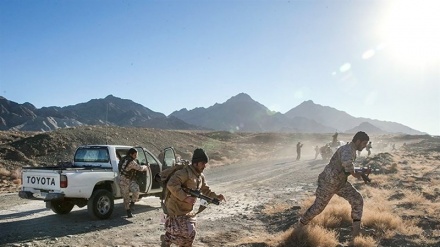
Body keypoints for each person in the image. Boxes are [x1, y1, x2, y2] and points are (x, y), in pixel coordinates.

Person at [296, 131, 370, 241]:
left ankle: (356, 231)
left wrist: (361, 172)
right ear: (358, 141)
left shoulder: (351, 149)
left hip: (340, 183)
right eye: (364, 143)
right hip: (328, 182)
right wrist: (361, 172)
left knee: (357, 199)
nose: (364, 146)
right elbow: (349, 169)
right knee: (318, 208)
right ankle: (299, 226)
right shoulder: (347, 150)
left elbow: (348, 168)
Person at [161, 148, 226, 247]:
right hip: (175, 209)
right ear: (195, 163)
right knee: (186, 233)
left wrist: (216, 196)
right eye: (203, 163)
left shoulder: (200, 176)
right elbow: (171, 184)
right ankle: (167, 239)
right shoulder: (184, 173)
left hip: (187, 210)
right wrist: (185, 198)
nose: (205, 166)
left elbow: (206, 190)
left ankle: (172, 239)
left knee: (190, 235)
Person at [118, 148, 149, 218]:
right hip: (124, 180)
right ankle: (128, 211)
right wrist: (146, 166)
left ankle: (132, 204)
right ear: (131, 154)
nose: (136, 156)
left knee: (136, 191)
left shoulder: (125, 159)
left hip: (129, 179)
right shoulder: (131, 162)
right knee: (126, 197)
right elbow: (140, 168)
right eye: (135, 155)